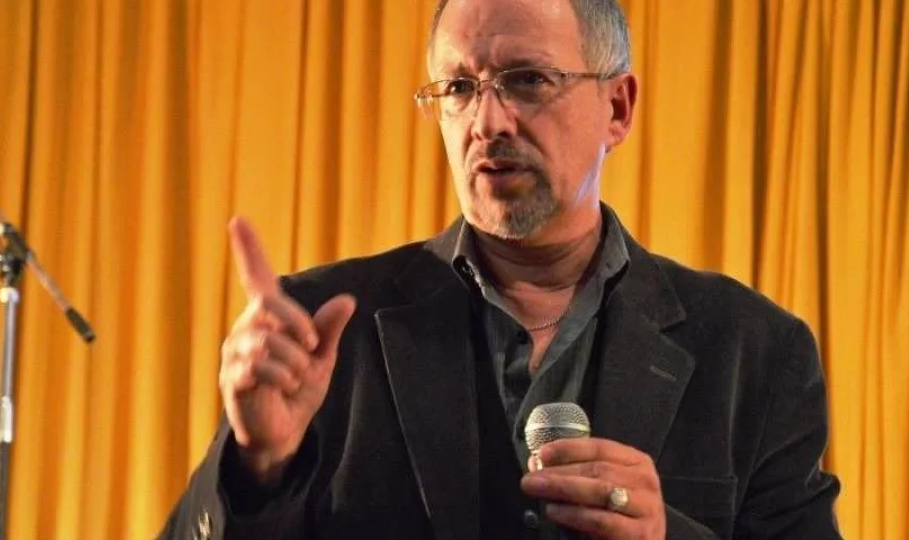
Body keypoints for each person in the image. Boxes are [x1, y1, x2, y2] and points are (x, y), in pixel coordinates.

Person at [160, 0, 841, 538]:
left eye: (527, 80)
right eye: (459, 87)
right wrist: (257, 467)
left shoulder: (756, 351)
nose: (487, 122)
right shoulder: (319, 330)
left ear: (617, 108)